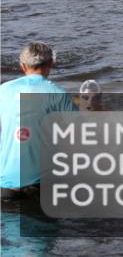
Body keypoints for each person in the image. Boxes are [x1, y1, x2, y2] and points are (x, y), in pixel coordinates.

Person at [0, 42, 77, 200]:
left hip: (6, 185)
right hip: (40, 186)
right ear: (51, 63)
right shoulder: (58, 94)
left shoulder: (3, 90)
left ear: (22, 65)